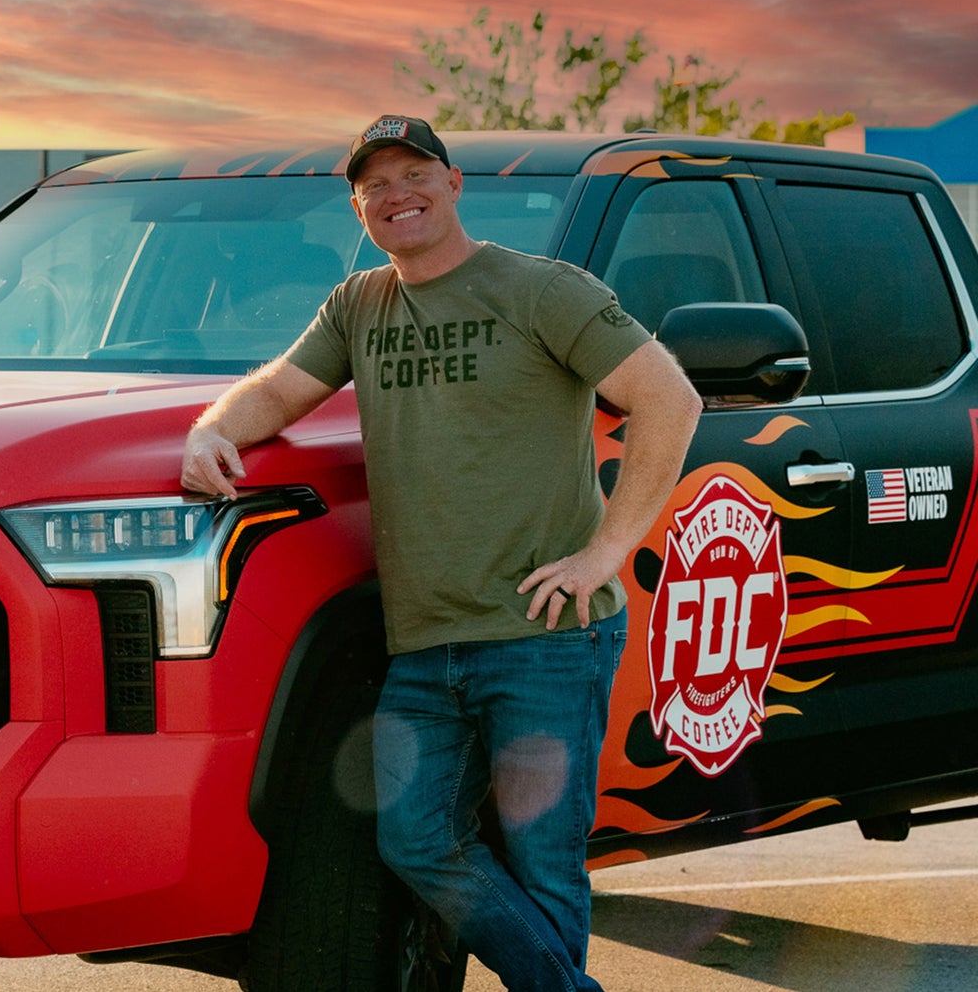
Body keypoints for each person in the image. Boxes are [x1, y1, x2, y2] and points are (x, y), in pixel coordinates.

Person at [181, 116, 701, 991]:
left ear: (455, 184)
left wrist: (608, 550)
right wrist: (211, 431)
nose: (397, 195)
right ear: (358, 207)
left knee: (543, 863)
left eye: (414, 172)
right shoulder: (360, 306)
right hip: (424, 644)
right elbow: (280, 387)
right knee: (413, 838)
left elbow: (669, 399)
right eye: (375, 184)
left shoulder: (540, 289)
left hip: (543, 636)